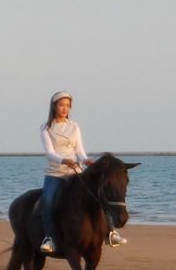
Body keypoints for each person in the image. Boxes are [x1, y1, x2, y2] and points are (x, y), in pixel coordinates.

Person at [38, 91, 126, 253]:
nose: (65, 109)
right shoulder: (46, 127)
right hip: (55, 172)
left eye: (68, 106)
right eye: (61, 105)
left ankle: (111, 232)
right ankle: (49, 238)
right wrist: (63, 160)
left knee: (98, 196)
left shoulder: (74, 126)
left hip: (75, 171)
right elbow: (50, 152)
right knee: (48, 201)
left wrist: (85, 160)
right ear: (54, 106)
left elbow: (79, 150)